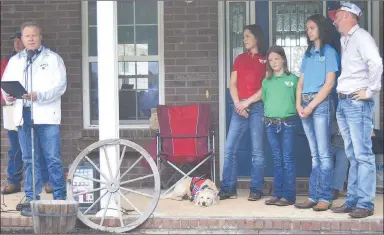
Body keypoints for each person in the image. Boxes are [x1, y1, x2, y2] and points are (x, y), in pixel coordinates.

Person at [1, 22, 67, 216]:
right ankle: (32, 200)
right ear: (21, 39)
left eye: (34, 35)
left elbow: (60, 86)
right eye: (26, 36)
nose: (30, 38)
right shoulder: (16, 61)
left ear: (40, 37)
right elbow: (5, 83)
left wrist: (39, 95)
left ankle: (60, 199)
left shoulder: (53, 59)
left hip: (46, 115)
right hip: (24, 115)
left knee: (52, 158)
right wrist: (9, 96)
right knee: (29, 159)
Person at [328, 2, 383, 218]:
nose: (334, 21)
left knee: (362, 155)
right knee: (352, 154)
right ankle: (352, 200)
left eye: (338, 16)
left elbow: (377, 63)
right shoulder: (346, 40)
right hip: (345, 102)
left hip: (356, 103)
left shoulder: (361, 37)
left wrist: (371, 91)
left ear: (349, 16)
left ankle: (365, 204)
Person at [294, 14, 340, 211]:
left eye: (311, 27)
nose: (308, 31)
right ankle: (313, 196)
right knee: (314, 154)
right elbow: (300, 83)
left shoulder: (329, 52)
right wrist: (298, 105)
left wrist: (311, 105)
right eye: (307, 28)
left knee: (323, 153)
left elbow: (329, 84)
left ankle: (325, 197)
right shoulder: (308, 53)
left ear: (321, 29)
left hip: (320, 104)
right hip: (305, 104)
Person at [218, 24, 268, 201]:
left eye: (247, 36)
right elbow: (232, 84)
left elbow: (266, 87)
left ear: (256, 38)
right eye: (244, 36)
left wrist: (248, 101)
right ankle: (228, 188)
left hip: (257, 108)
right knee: (229, 148)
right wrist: (238, 104)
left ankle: (256, 189)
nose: (244, 39)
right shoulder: (239, 59)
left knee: (257, 151)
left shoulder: (266, 59)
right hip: (239, 108)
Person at [0, 31, 52, 195]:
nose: (16, 43)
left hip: (33, 107)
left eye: (18, 40)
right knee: (14, 147)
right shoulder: (8, 61)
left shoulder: (39, 60)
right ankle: (14, 180)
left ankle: (46, 180)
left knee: (39, 145)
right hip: (10, 108)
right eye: (14, 40)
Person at [262, 46, 298, 206]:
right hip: (270, 123)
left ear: (283, 59)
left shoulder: (293, 79)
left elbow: (298, 99)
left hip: (287, 123)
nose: (274, 62)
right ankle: (277, 193)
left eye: (276, 58)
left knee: (287, 159)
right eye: (270, 60)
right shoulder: (266, 81)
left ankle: (289, 196)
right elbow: (265, 99)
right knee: (277, 159)